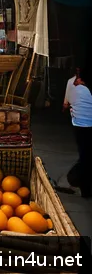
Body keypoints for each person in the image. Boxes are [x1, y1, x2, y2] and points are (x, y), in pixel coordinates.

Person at [64, 66, 92, 197]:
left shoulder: (71, 83)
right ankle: (82, 185)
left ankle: (82, 185)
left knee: (84, 154)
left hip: (78, 124)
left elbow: (66, 104)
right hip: (84, 125)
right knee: (86, 157)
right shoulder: (78, 85)